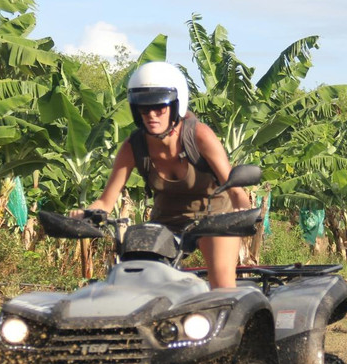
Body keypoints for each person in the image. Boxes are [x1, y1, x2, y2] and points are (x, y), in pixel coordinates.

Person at [77, 61, 251, 289]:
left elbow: (234, 187)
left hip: (214, 217)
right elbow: (106, 201)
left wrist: (243, 211)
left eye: (159, 108)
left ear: (176, 106)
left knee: (221, 282)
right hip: (166, 220)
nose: (151, 115)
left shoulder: (199, 136)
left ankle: (225, 320)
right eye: (144, 108)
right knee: (141, 280)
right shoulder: (133, 146)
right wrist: (87, 213)